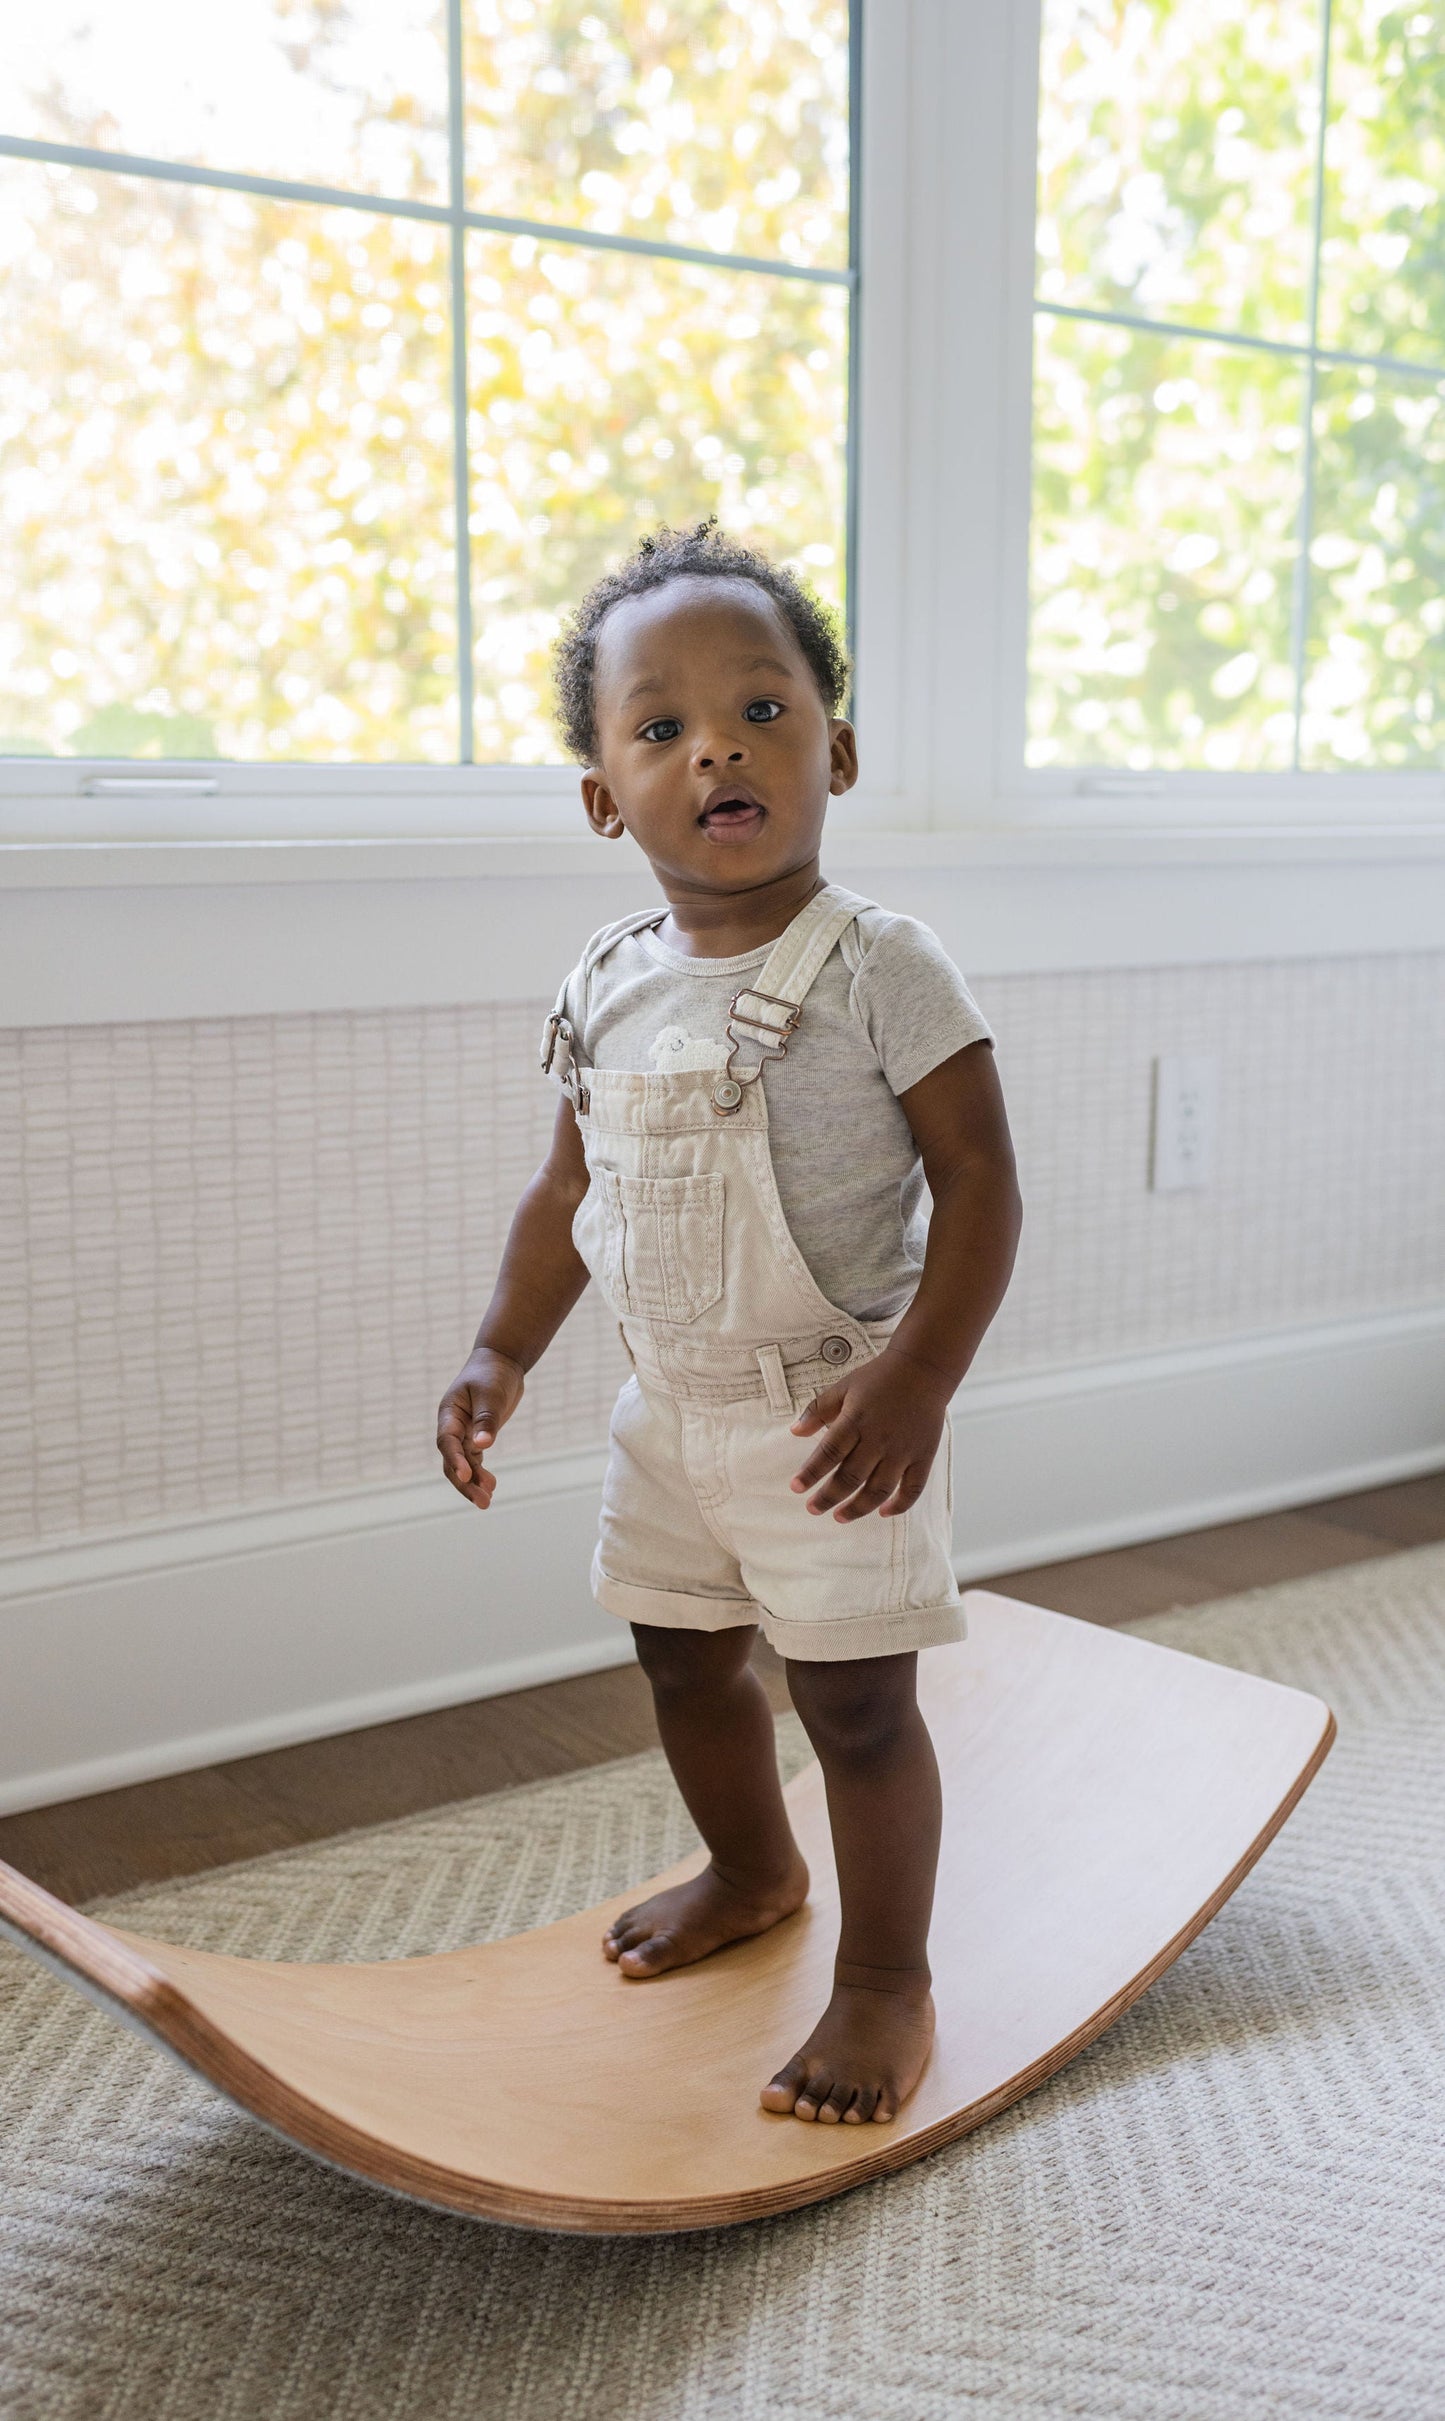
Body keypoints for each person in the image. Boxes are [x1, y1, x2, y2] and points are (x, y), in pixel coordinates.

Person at [437, 522, 1021, 2126]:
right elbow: (566, 1189)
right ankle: (752, 1867)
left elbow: (980, 1182)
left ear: (835, 745)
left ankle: (887, 1979)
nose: (717, 746)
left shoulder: (881, 967)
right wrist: (501, 1350)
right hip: (663, 1410)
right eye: (660, 725)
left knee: (853, 1703)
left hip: (838, 1415)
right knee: (682, 1661)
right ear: (601, 795)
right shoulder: (610, 978)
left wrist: (918, 1379)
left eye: (761, 709)